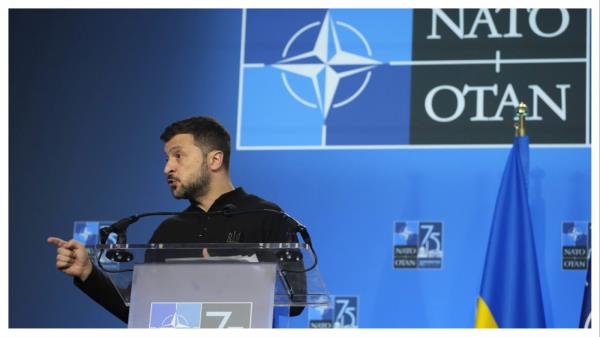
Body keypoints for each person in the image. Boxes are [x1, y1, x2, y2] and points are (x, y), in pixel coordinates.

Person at [48, 116, 304, 323]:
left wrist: (230, 274)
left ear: (215, 159)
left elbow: (296, 300)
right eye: (167, 158)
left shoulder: (267, 217)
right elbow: (140, 311)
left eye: (178, 156)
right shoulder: (167, 232)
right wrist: (88, 273)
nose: (167, 168)